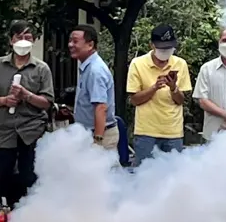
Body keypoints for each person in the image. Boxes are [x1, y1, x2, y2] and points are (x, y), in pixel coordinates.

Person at [0, 21, 54, 222]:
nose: (24, 41)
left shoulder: (41, 69)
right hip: (3, 131)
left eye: (28, 37)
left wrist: (27, 95)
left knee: (28, 180)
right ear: (11, 40)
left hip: (31, 131)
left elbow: (47, 102)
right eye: (19, 37)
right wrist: (4, 100)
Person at [127, 24, 192, 161]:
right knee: (143, 176)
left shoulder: (181, 64)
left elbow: (181, 101)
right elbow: (134, 100)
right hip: (146, 132)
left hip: (173, 132)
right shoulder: (137, 64)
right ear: (152, 45)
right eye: (162, 48)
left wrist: (173, 87)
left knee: (174, 178)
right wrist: (154, 87)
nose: (166, 51)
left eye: (169, 48)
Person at [67, 25, 118, 154]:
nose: (70, 45)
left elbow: (101, 107)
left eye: (75, 41)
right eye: (70, 40)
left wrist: (98, 141)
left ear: (90, 45)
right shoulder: (88, 67)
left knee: (103, 173)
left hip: (100, 136)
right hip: (88, 134)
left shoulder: (95, 71)